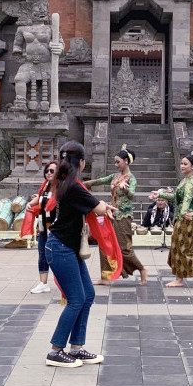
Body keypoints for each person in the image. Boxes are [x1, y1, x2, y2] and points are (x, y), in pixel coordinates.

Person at [44, 140, 118, 367]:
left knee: (87, 295)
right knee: (76, 299)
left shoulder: (66, 183)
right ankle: (56, 351)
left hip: (66, 248)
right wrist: (108, 203)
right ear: (82, 162)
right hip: (61, 249)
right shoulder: (74, 186)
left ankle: (76, 348)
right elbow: (97, 208)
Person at [86, 146, 148, 286]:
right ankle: (105, 277)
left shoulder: (131, 178)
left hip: (123, 216)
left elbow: (132, 194)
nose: (115, 165)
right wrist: (80, 185)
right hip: (110, 214)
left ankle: (142, 269)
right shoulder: (115, 176)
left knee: (124, 248)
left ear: (126, 161)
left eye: (118, 162)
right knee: (104, 245)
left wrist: (124, 189)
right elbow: (100, 181)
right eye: (114, 162)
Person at [150, 153, 193, 288]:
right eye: (182, 163)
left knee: (181, 249)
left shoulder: (189, 183)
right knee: (183, 248)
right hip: (186, 218)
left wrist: (183, 213)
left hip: (187, 219)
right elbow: (177, 199)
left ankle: (181, 278)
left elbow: (187, 200)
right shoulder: (185, 180)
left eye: (185, 164)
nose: (182, 166)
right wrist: (160, 194)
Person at [26, 161, 57, 294]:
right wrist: (30, 203)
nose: (48, 173)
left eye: (52, 171)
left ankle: (65, 282)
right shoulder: (45, 186)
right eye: (47, 170)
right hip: (44, 226)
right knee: (42, 254)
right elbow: (40, 198)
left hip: (56, 228)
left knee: (56, 256)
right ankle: (43, 283)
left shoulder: (61, 187)